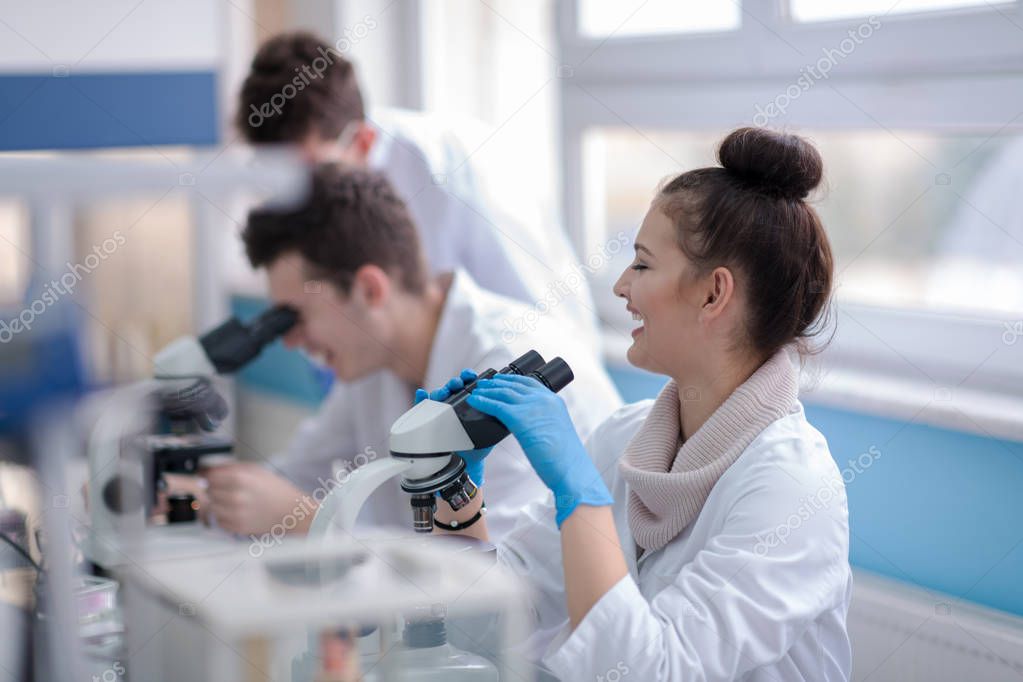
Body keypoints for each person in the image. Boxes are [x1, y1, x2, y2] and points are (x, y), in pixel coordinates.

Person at [424, 128, 852, 680]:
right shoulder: (626, 438)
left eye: (643, 265)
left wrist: (579, 497)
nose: (622, 286)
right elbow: (500, 624)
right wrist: (455, 488)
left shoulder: (793, 488)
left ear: (713, 294)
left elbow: (654, 672)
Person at [203, 164, 621, 541]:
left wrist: (305, 521)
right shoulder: (373, 362)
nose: (291, 341)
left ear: (369, 290)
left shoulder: (505, 367)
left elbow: (493, 582)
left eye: (297, 316)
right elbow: (293, 477)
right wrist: (211, 496)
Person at [237, 31, 600, 347]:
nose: (300, 198)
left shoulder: (450, 170)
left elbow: (545, 326)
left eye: (311, 174)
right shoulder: (325, 199)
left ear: (363, 141)